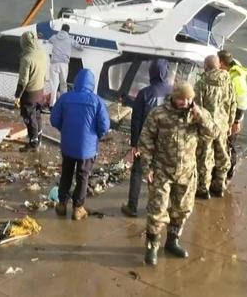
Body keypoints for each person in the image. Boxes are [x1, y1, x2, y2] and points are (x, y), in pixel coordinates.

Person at [138, 82, 216, 266]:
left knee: (181, 210)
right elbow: (146, 141)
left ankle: (172, 241)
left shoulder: (198, 114)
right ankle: (152, 246)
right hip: (162, 171)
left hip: (187, 172)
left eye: (189, 99)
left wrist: (200, 117)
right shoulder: (158, 114)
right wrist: (147, 167)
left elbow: (213, 133)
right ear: (174, 97)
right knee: (157, 211)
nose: (185, 102)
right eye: (182, 99)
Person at [49, 68, 110, 221]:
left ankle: (62, 204)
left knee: (66, 174)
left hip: (68, 146)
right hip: (87, 149)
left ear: (76, 82)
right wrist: (95, 136)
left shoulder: (65, 98)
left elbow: (54, 120)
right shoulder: (97, 101)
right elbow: (104, 126)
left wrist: (64, 129)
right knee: (83, 177)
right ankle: (78, 208)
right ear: (92, 84)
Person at [121, 59, 172, 218]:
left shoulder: (144, 93)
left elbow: (136, 120)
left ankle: (132, 207)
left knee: (137, 171)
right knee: (163, 174)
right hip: (167, 141)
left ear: (151, 73)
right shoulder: (173, 92)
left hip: (145, 140)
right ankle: (158, 207)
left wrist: (134, 144)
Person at [194, 55, 236, 198]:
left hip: (207, 127)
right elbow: (233, 104)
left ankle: (203, 189)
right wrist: (230, 123)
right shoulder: (228, 81)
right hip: (222, 126)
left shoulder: (201, 83)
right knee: (223, 156)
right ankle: (219, 186)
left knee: (205, 160)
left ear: (205, 67)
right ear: (218, 65)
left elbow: (197, 109)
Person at [217, 49, 247, 182]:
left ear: (222, 63)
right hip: (227, 116)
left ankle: (229, 172)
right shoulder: (230, 70)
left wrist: (236, 121)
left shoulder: (237, 79)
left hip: (234, 117)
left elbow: (243, 103)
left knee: (230, 145)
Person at [14, 31, 47, 152]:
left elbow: (23, 80)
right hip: (40, 91)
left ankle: (33, 143)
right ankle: (39, 139)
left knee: (29, 118)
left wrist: (17, 96)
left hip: (29, 94)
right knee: (37, 116)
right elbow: (45, 74)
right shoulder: (42, 54)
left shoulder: (27, 58)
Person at [46, 24, 82, 107]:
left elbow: (49, 40)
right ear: (68, 31)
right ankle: (63, 104)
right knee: (63, 84)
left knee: (54, 85)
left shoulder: (54, 37)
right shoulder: (70, 39)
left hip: (54, 64)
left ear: (61, 29)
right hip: (64, 64)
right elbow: (80, 48)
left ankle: (52, 104)